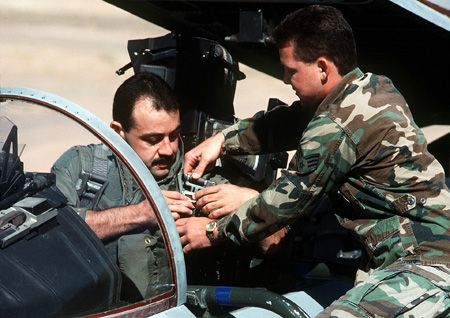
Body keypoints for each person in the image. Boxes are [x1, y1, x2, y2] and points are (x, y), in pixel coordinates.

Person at [176, 5, 450, 317]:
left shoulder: (335, 128)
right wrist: (224, 140)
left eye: (291, 70)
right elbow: (293, 120)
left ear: (322, 67)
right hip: (418, 254)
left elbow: (281, 206)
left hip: (425, 263)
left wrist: (211, 232)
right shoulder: (372, 88)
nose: (284, 79)